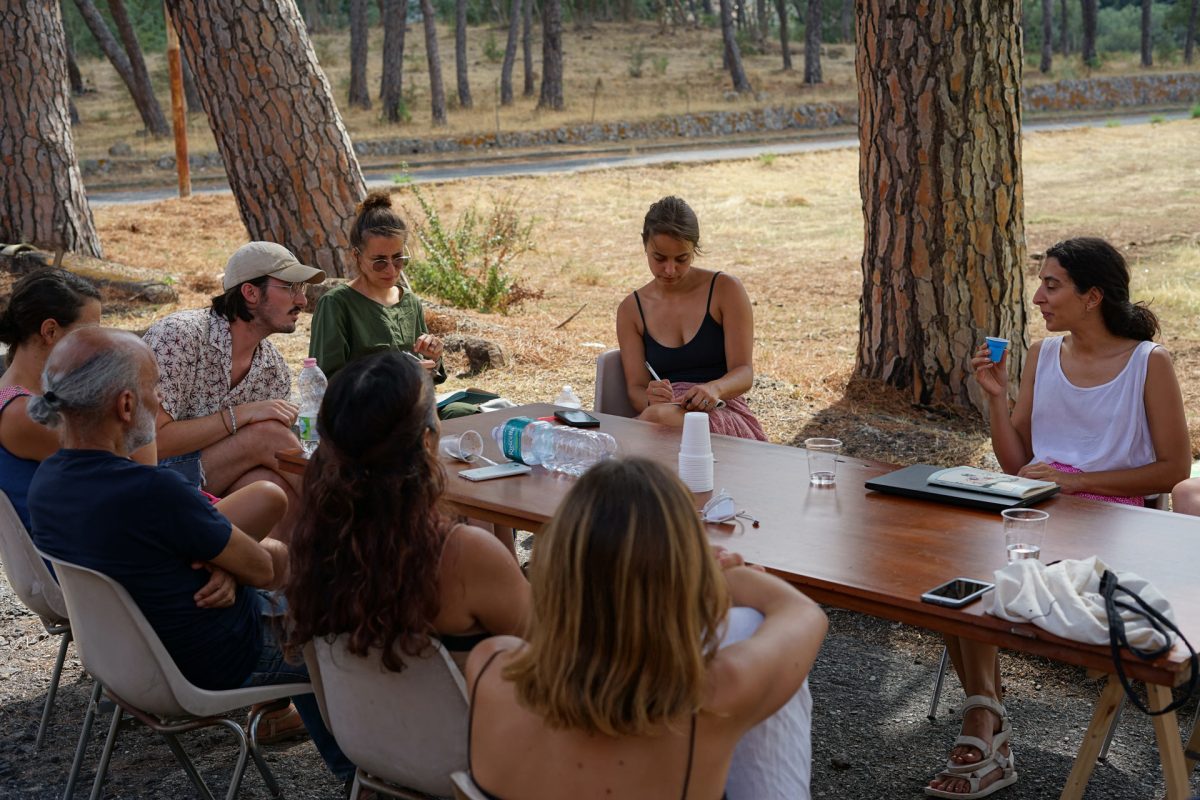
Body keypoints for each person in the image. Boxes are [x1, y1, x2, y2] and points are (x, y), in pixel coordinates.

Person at [927, 237, 1191, 798]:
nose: (1039, 297)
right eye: (1041, 283)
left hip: (1116, 523)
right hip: (1041, 509)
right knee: (953, 571)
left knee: (982, 573)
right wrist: (996, 399)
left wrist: (1076, 481)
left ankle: (985, 729)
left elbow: (1171, 469)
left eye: (1052, 285)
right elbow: (1018, 464)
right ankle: (985, 717)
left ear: (1092, 296)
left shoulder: (1149, 363)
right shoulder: (1043, 354)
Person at [25, 327, 351, 780]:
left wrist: (229, 567)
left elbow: (158, 557)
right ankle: (363, 775)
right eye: (153, 387)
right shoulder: (152, 492)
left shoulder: (48, 483)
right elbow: (266, 568)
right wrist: (247, 561)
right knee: (339, 615)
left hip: (127, 663)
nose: (158, 400)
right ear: (124, 406)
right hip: (213, 661)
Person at [464, 458, 827, 799]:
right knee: (750, 623)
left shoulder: (489, 666)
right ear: (682, 582)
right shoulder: (711, 702)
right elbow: (803, 613)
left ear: (557, 569)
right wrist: (721, 576)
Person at [285, 350, 529, 675]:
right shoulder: (460, 552)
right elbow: (551, 654)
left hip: (356, 726)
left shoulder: (317, 542)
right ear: (427, 441)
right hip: (470, 724)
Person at [144, 241, 325, 542]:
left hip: (212, 487)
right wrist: (240, 416)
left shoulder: (273, 367)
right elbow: (152, 442)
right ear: (251, 293)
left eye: (302, 289)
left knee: (269, 485)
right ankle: (351, 516)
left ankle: (286, 583)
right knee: (265, 435)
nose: (302, 301)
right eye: (291, 287)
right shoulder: (180, 336)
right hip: (153, 484)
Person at [308, 190, 476, 419]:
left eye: (398, 259)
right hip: (364, 415)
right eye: (379, 262)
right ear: (356, 256)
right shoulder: (337, 304)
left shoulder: (409, 301)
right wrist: (395, 375)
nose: (391, 269)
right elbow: (327, 381)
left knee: (473, 414)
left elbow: (424, 370)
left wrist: (433, 358)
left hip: (412, 408)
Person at [616, 196, 767, 441]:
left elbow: (744, 372)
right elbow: (635, 388)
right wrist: (649, 397)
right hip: (660, 414)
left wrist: (714, 388)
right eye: (659, 258)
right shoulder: (631, 309)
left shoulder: (725, 290)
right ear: (645, 246)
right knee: (654, 421)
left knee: (643, 431)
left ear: (694, 249)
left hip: (720, 409)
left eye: (681, 259)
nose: (670, 270)